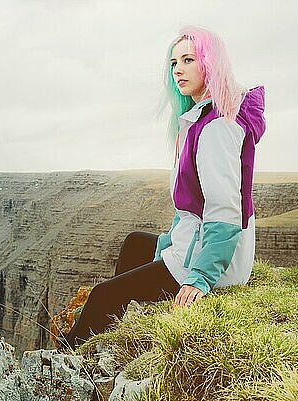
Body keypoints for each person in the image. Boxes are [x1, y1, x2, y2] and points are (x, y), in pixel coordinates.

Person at [56, 25, 266, 351]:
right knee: (135, 245)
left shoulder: (215, 129)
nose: (178, 69)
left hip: (212, 262)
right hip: (195, 245)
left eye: (188, 60)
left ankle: (64, 364)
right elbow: (191, 207)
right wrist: (172, 241)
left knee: (103, 296)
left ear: (210, 64)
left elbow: (225, 209)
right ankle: (125, 322)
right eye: (173, 63)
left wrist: (201, 277)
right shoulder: (201, 119)